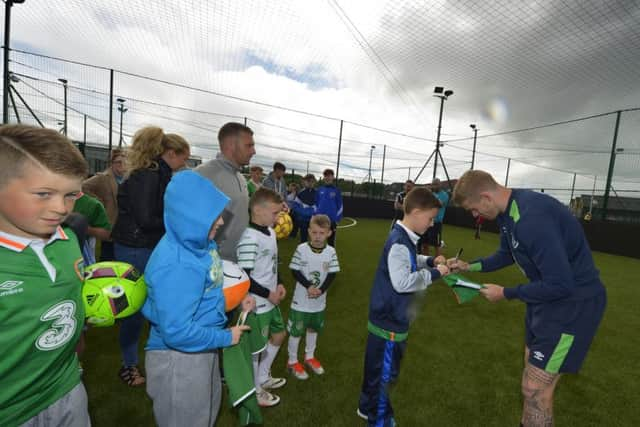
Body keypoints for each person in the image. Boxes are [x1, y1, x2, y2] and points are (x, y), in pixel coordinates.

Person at [448, 170, 607, 427]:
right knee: (533, 385)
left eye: (473, 209)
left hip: (572, 306)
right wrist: (470, 266)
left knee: (534, 386)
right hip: (544, 300)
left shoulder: (531, 218)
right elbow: (506, 253)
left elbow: (561, 284)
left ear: (486, 197)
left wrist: (506, 293)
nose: (475, 216)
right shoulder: (507, 213)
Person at [141, 170, 253, 427]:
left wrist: (236, 300)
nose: (221, 222)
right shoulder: (179, 264)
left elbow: (207, 292)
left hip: (199, 348)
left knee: (204, 415)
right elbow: (177, 331)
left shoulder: (200, 245)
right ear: (190, 217)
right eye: (213, 215)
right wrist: (226, 337)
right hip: (179, 359)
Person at [0, 124, 91, 427]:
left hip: (65, 387)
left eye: (70, 195)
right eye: (43, 194)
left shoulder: (68, 241)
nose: (60, 208)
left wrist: (77, 339)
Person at [357, 187, 449, 426]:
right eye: (430, 218)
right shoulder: (400, 241)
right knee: (385, 376)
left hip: (385, 318)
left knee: (376, 371)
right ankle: (379, 420)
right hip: (390, 323)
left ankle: (366, 408)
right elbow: (402, 282)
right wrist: (435, 274)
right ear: (417, 212)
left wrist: (429, 260)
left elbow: (409, 261)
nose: (431, 224)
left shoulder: (403, 237)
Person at [111, 127, 191, 387]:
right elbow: (146, 219)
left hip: (143, 245)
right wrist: (176, 223)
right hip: (137, 247)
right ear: (168, 152)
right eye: (183, 158)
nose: (185, 164)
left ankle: (150, 356)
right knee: (134, 308)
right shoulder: (149, 175)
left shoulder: (157, 173)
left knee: (150, 305)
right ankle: (128, 365)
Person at [236, 188, 287, 407]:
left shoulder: (271, 232)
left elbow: (273, 263)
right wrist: (269, 294)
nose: (278, 218)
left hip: (271, 299)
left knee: (279, 334)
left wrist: (280, 282)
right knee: (256, 349)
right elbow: (244, 276)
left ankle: (263, 377)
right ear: (257, 210)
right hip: (256, 303)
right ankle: (255, 390)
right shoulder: (249, 237)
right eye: (275, 213)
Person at [286, 214, 340, 380]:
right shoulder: (301, 249)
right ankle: (292, 361)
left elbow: (332, 273)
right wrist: (308, 286)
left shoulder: (331, 251)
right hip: (301, 301)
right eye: (314, 232)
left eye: (321, 233)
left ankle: (309, 357)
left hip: (319, 301)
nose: (317, 236)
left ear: (329, 233)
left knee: (313, 328)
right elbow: (295, 270)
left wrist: (322, 289)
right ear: (309, 231)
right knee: (296, 331)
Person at [196, 122, 256, 262]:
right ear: (230, 146)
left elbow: (236, 209)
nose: (254, 151)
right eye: (249, 145)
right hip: (214, 263)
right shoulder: (205, 175)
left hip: (237, 261)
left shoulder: (240, 177)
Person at [82, 148, 126, 260]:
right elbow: (83, 186)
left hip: (123, 225)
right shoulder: (103, 177)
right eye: (118, 162)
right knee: (106, 254)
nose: (122, 165)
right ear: (112, 164)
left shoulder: (128, 178)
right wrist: (98, 201)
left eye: (125, 162)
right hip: (109, 223)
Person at [72, 192, 112, 263]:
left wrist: (82, 227)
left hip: (82, 259)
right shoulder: (49, 201)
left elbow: (106, 234)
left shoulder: (92, 204)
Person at [421, 178, 449, 256]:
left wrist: (430, 195)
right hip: (426, 221)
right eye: (433, 184)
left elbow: (439, 204)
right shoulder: (430, 194)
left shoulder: (444, 195)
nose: (434, 186)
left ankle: (438, 264)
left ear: (440, 185)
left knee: (436, 244)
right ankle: (426, 261)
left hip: (436, 222)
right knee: (424, 243)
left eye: (436, 184)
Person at [316, 168, 343, 247]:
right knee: (319, 240)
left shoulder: (336, 190)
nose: (327, 177)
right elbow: (316, 204)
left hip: (331, 220)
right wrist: (315, 215)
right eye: (326, 176)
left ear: (333, 177)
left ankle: (330, 258)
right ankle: (318, 256)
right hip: (320, 220)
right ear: (324, 177)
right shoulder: (320, 189)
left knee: (330, 243)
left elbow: (340, 206)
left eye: (329, 176)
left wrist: (337, 219)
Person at [293, 174, 317, 243]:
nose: (310, 183)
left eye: (312, 181)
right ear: (304, 182)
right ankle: (303, 248)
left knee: (314, 237)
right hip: (303, 219)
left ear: (314, 182)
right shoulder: (300, 193)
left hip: (314, 219)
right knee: (303, 237)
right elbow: (295, 206)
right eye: (308, 181)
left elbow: (320, 207)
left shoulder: (318, 193)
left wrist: (313, 213)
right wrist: (303, 212)